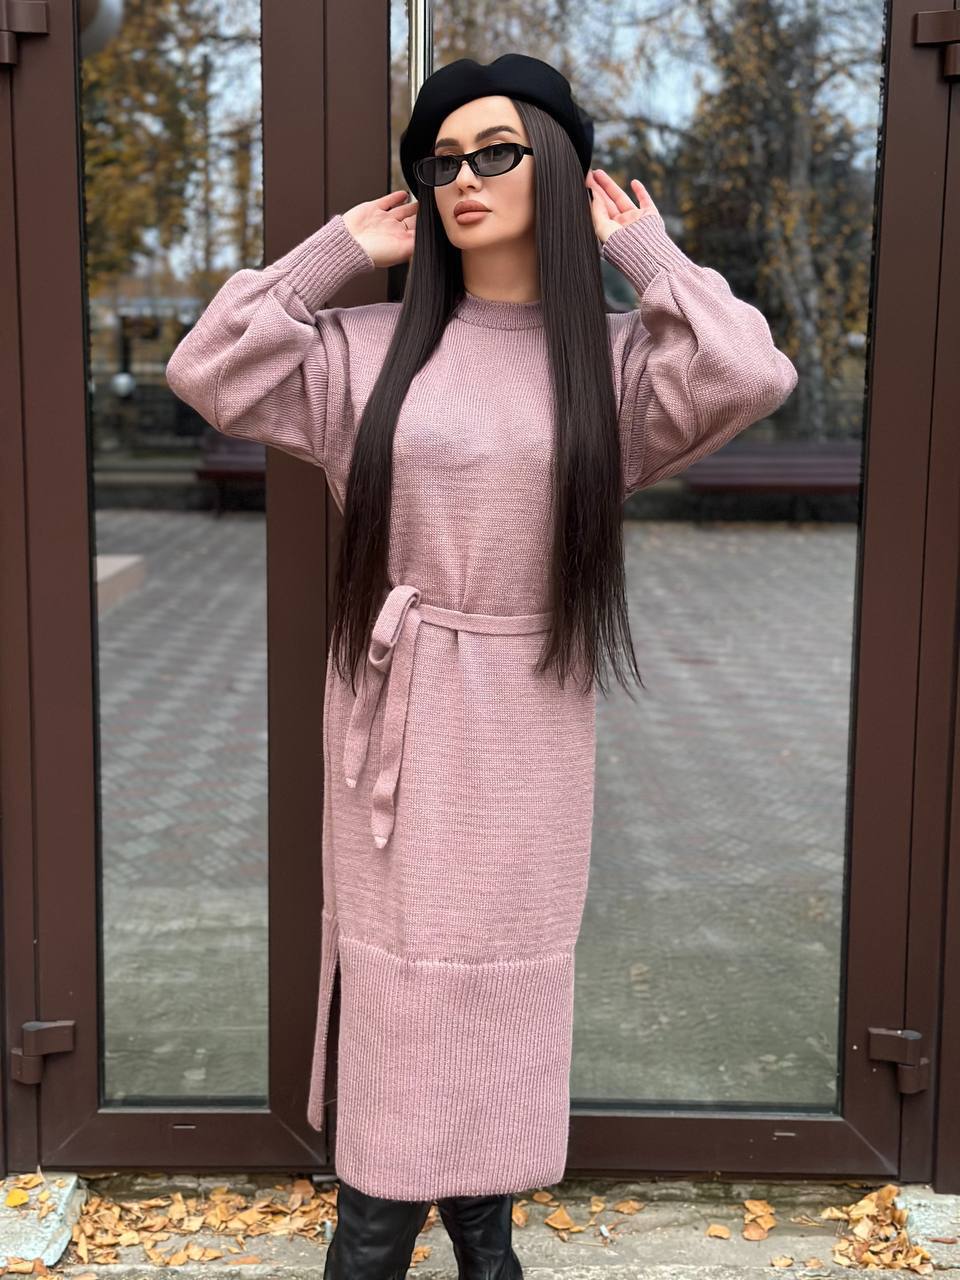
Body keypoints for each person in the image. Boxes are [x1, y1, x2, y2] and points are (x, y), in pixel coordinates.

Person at [165, 52, 798, 1280]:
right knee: (403, 986)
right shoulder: (362, 348)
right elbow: (209, 367)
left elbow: (750, 371)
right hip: (396, 711)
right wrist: (334, 254)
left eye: (496, 151)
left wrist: (648, 256)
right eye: (442, 159)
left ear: (557, 168)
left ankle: (484, 1243)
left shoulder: (615, 364)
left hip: (531, 717)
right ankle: (375, 1237)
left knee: (499, 981)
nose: (462, 177)